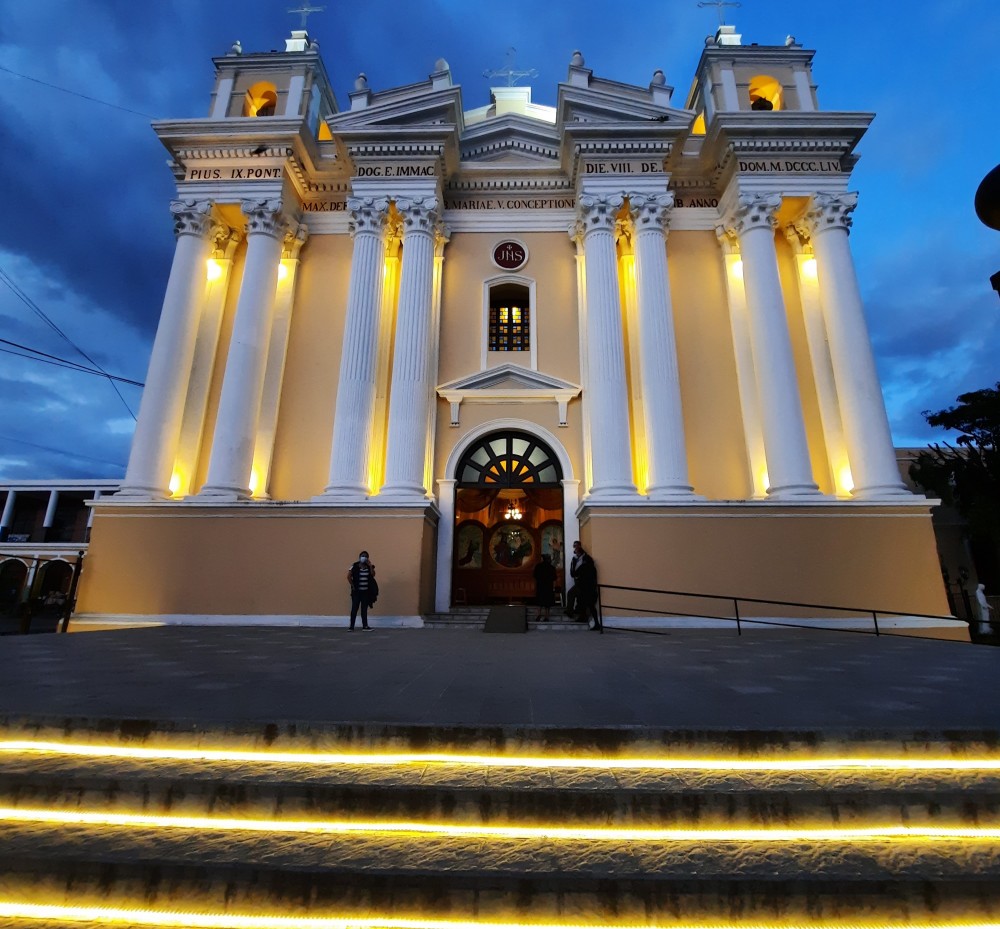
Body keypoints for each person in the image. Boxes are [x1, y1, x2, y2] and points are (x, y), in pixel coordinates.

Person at [564, 541, 599, 628]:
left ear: (580, 547)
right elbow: (574, 572)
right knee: (581, 600)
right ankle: (580, 615)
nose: (574, 548)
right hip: (580, 582)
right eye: (574, 546)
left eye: (576, 546)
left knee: (585, 602)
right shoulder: (575, 559)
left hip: (586, 584)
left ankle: (576, 614)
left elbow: (583, 572)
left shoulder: (586, 560)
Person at [346, 550, 377, 630]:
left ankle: (365, 626)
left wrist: (370, 566)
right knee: (354, 608)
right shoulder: (354, 565)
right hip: (356, 592)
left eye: (366, 556)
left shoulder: (368, 566)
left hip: (365, 592)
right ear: (360, 557)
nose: (364, 557)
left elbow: (373, 575)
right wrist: (352, 585)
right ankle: (351, 626)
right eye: (362, 556)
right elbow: (349, 576)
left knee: (364, 609)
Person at [532, 553, 557, 621]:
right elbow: (554, 578)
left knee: (540, 602)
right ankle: (546, 616)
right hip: (548, 587)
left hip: (540, 586)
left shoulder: (538, 566)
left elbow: (535, 575)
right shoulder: (552, 567)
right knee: (547, 603)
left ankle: (538, 615)